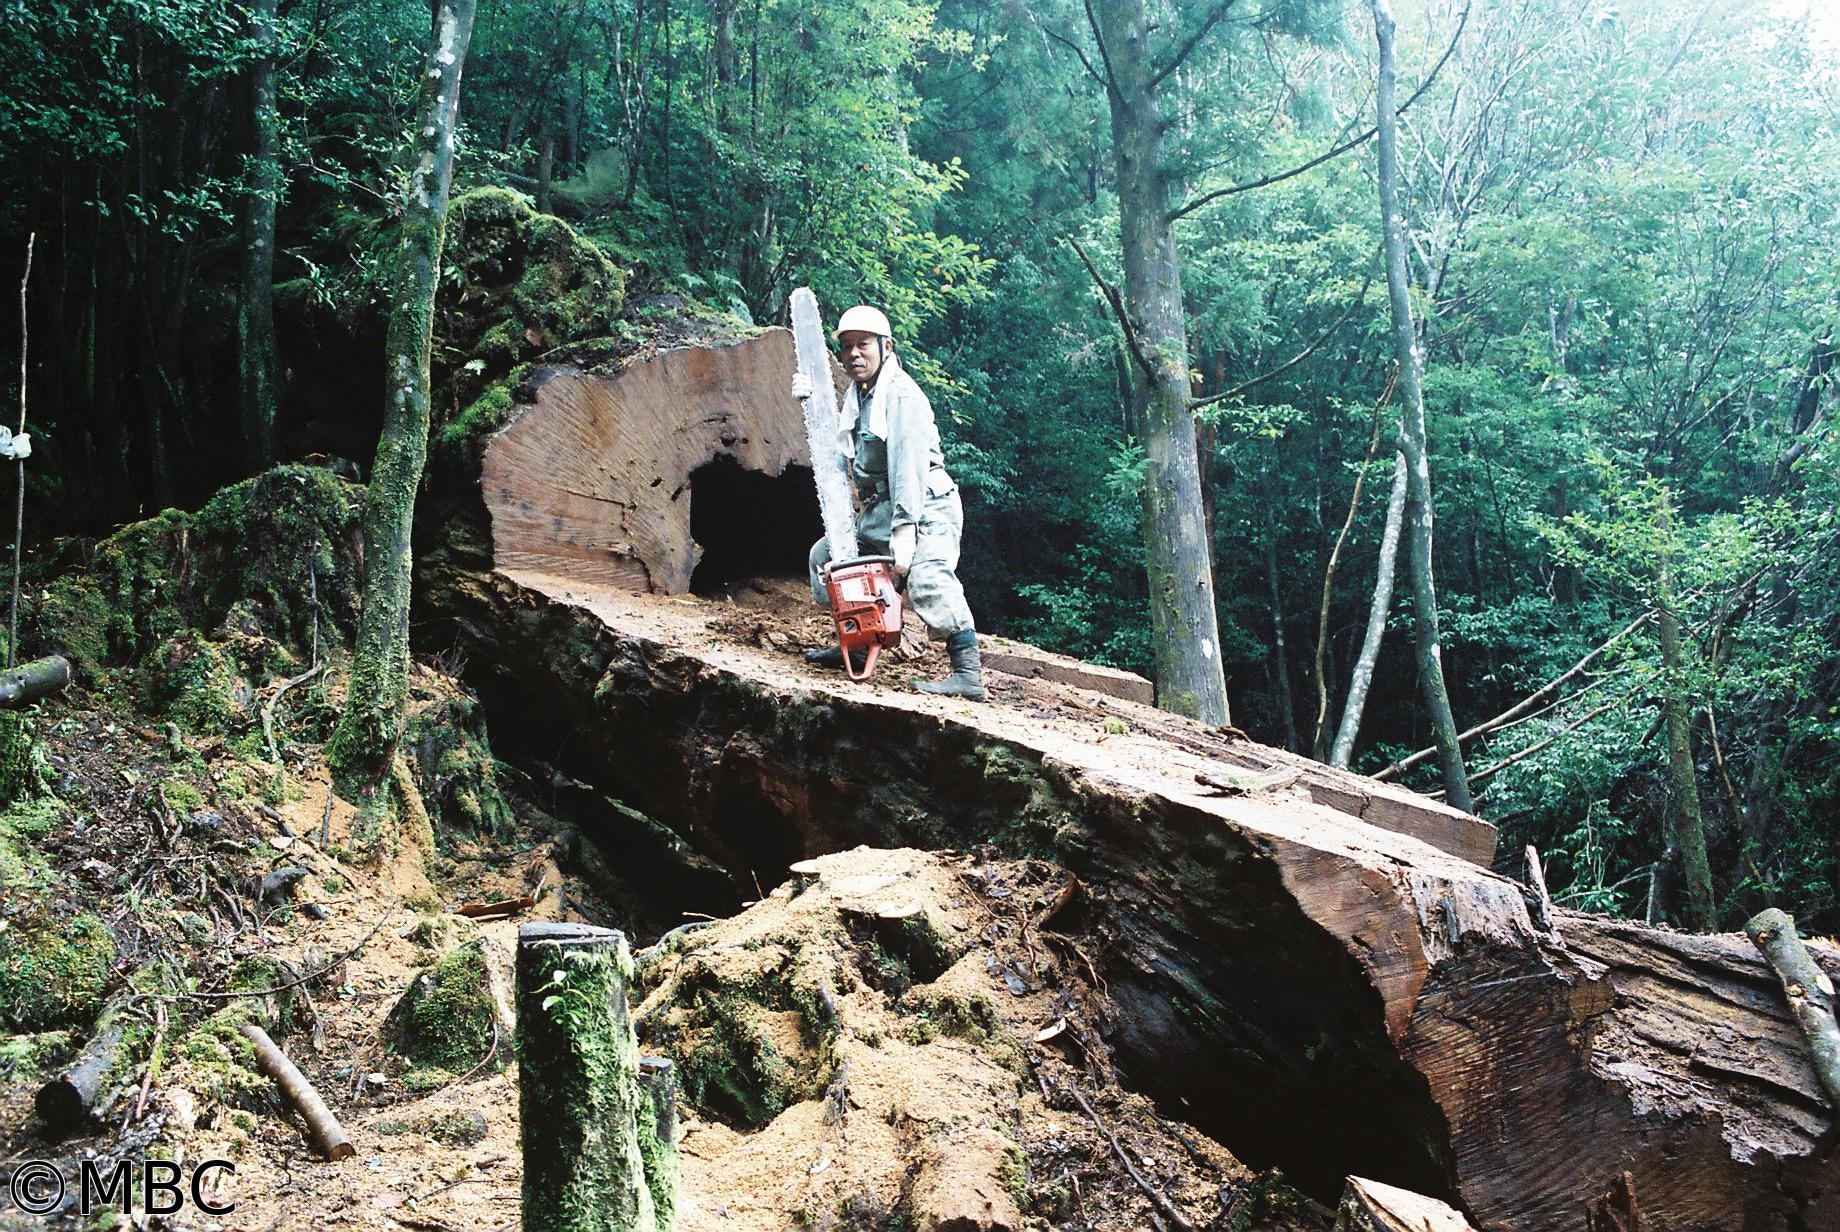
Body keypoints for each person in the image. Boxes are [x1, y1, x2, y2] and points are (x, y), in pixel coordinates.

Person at [792, 304, 986, 702]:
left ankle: (968, 674)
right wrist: (811, 405)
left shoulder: (900, 395)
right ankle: (858, 642)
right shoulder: (861, 395)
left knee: (928, 577)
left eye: (863, 345)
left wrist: (904, 529)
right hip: (883, 507)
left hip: (924, 504)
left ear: (886, 346)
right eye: (846, 347)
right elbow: (846, 452)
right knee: (827, 558)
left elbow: (907, 465)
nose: (853, 355)